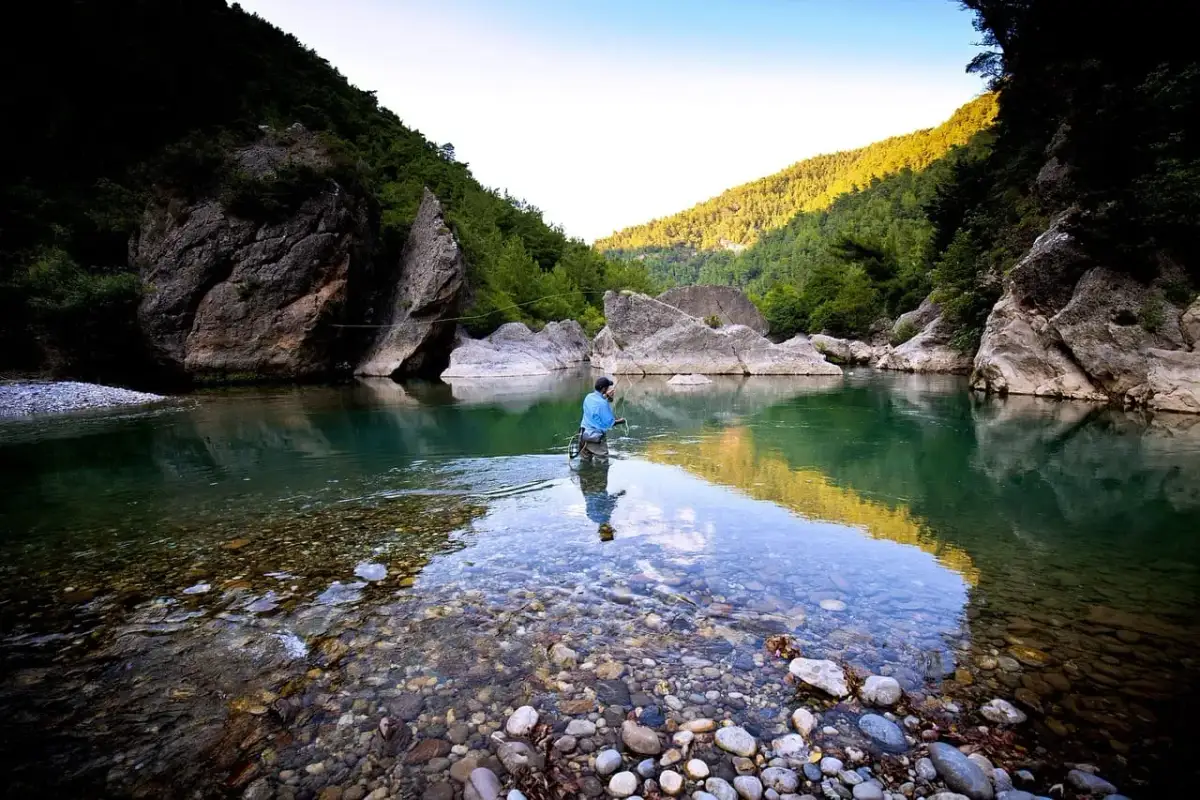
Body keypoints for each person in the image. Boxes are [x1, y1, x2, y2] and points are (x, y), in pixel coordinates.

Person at [579, 376, 625, 461]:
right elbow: (610, 423)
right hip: (596, 438)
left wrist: (606, 396)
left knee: (585, 462)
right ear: (604, 389)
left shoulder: (588, 397)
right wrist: (621, 421)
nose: (608, 388)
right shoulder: (603, 404)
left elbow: (596, 402)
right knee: (603, 463)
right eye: (607, 387)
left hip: (583, 436)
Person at [577, 460, 625, 541]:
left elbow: (610, 501)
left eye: (610, 529)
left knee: (601, 465)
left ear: (609, 528)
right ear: (599, 530)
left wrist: (619, 494)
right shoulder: (591, 517)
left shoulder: (606, 516)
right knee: (585, 467)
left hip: (598, 488)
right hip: (585, 490)